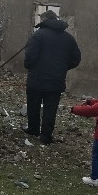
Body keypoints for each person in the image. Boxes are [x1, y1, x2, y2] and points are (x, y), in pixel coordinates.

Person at [23, 10, 81, 145]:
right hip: (56, 80)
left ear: (44, 21)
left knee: (33, 105)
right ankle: (46, 135)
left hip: (36, 78)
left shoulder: (38, 35)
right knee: (51, 108)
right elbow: (76, 58)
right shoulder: (68, 38)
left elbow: (29, 57)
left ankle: (33, 129)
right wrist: (62, 68)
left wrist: (30, 66)